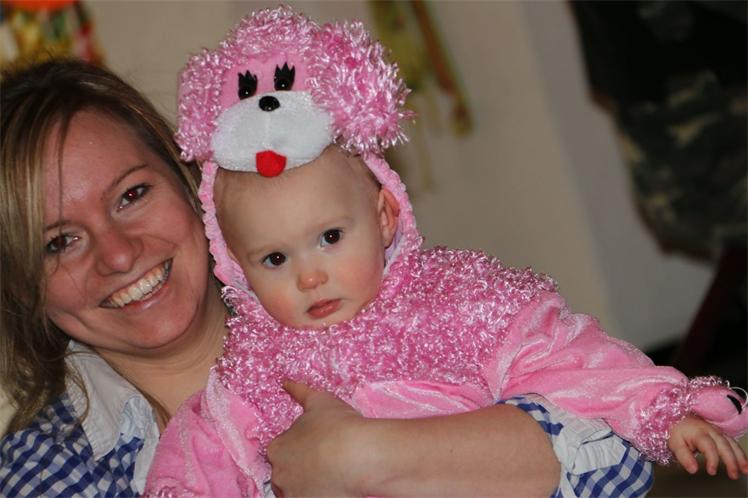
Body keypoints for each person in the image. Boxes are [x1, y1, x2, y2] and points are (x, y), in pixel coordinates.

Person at [145, 6, 746, 498]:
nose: (310, 276)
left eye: (329, 238)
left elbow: (572, 361)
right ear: (236, 265)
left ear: (384, 217)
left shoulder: (456, 299)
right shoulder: (255, 368)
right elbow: (203, 460)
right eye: (275, 259)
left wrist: (665, 410)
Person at [0, 57, 634, 498]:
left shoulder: (394, 305)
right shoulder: (45, 470)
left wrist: (362, 456)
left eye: (132, 195)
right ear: (21, 285)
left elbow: (619, 454)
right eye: (59, 242)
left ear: (194, 184)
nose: (117, 255)